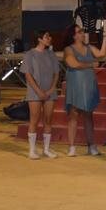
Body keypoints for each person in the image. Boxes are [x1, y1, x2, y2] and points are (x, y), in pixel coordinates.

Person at [63, 24, 106, 157]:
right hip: (75, 84)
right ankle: (71, 146)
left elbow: (101, 54)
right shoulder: (68, 49)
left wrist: (105, 37)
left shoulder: (89, 47)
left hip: (88, 84)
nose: (82, 34)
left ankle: (91, 145)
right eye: (79, 32)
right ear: (73, 35)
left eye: (82, 31)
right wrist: (91, 64)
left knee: (89, 115)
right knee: (74, 114)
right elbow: (73, 64)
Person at [23, 30, 61, 158]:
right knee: (34, 119)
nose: (49, 38)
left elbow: (56, 73)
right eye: (46, 36)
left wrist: (51, 89)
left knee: (48, 119)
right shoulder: (30, 54)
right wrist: (38, 91)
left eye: (49, 36)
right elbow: (28, 74)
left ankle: (46, 149)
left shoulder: (51, 54)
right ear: (39, 39)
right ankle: (32, 150)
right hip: (34, 91)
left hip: (50, 91)